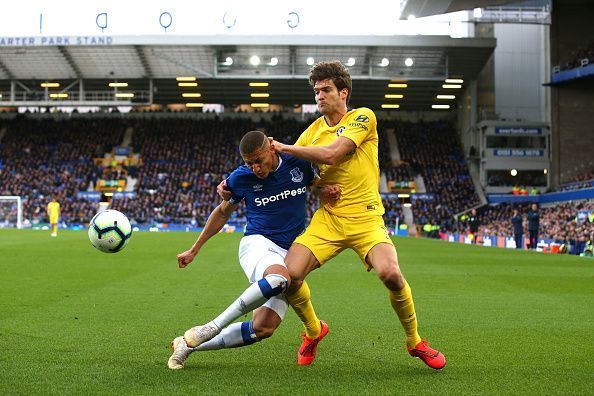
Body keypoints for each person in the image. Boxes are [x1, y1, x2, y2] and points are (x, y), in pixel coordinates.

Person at [268, 61, 445, 369]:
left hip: (366, 218)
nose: (319, 96)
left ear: (343, 92)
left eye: (325, 90)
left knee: (391, 274)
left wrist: (284, 147)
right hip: (329, 219)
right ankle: (313, 330)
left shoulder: (363, 117)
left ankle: (415, 341)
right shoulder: (311, 133)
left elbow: (334, 153)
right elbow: (299, 177)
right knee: (289, 276)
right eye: (316, 91)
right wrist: (318, 187)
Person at [168, 130, 338, 369]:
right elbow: (223, 212)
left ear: (271, 148)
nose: (256, 168)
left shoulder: (298, 163)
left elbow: (313, 185)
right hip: (258, 243)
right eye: (250, 163)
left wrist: (324, 191)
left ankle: (188, 345)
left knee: (263, 328)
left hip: (291, 250)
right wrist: (195, 248)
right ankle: (210, 327)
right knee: (279, 278)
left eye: (259, 161)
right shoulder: (240, 178)